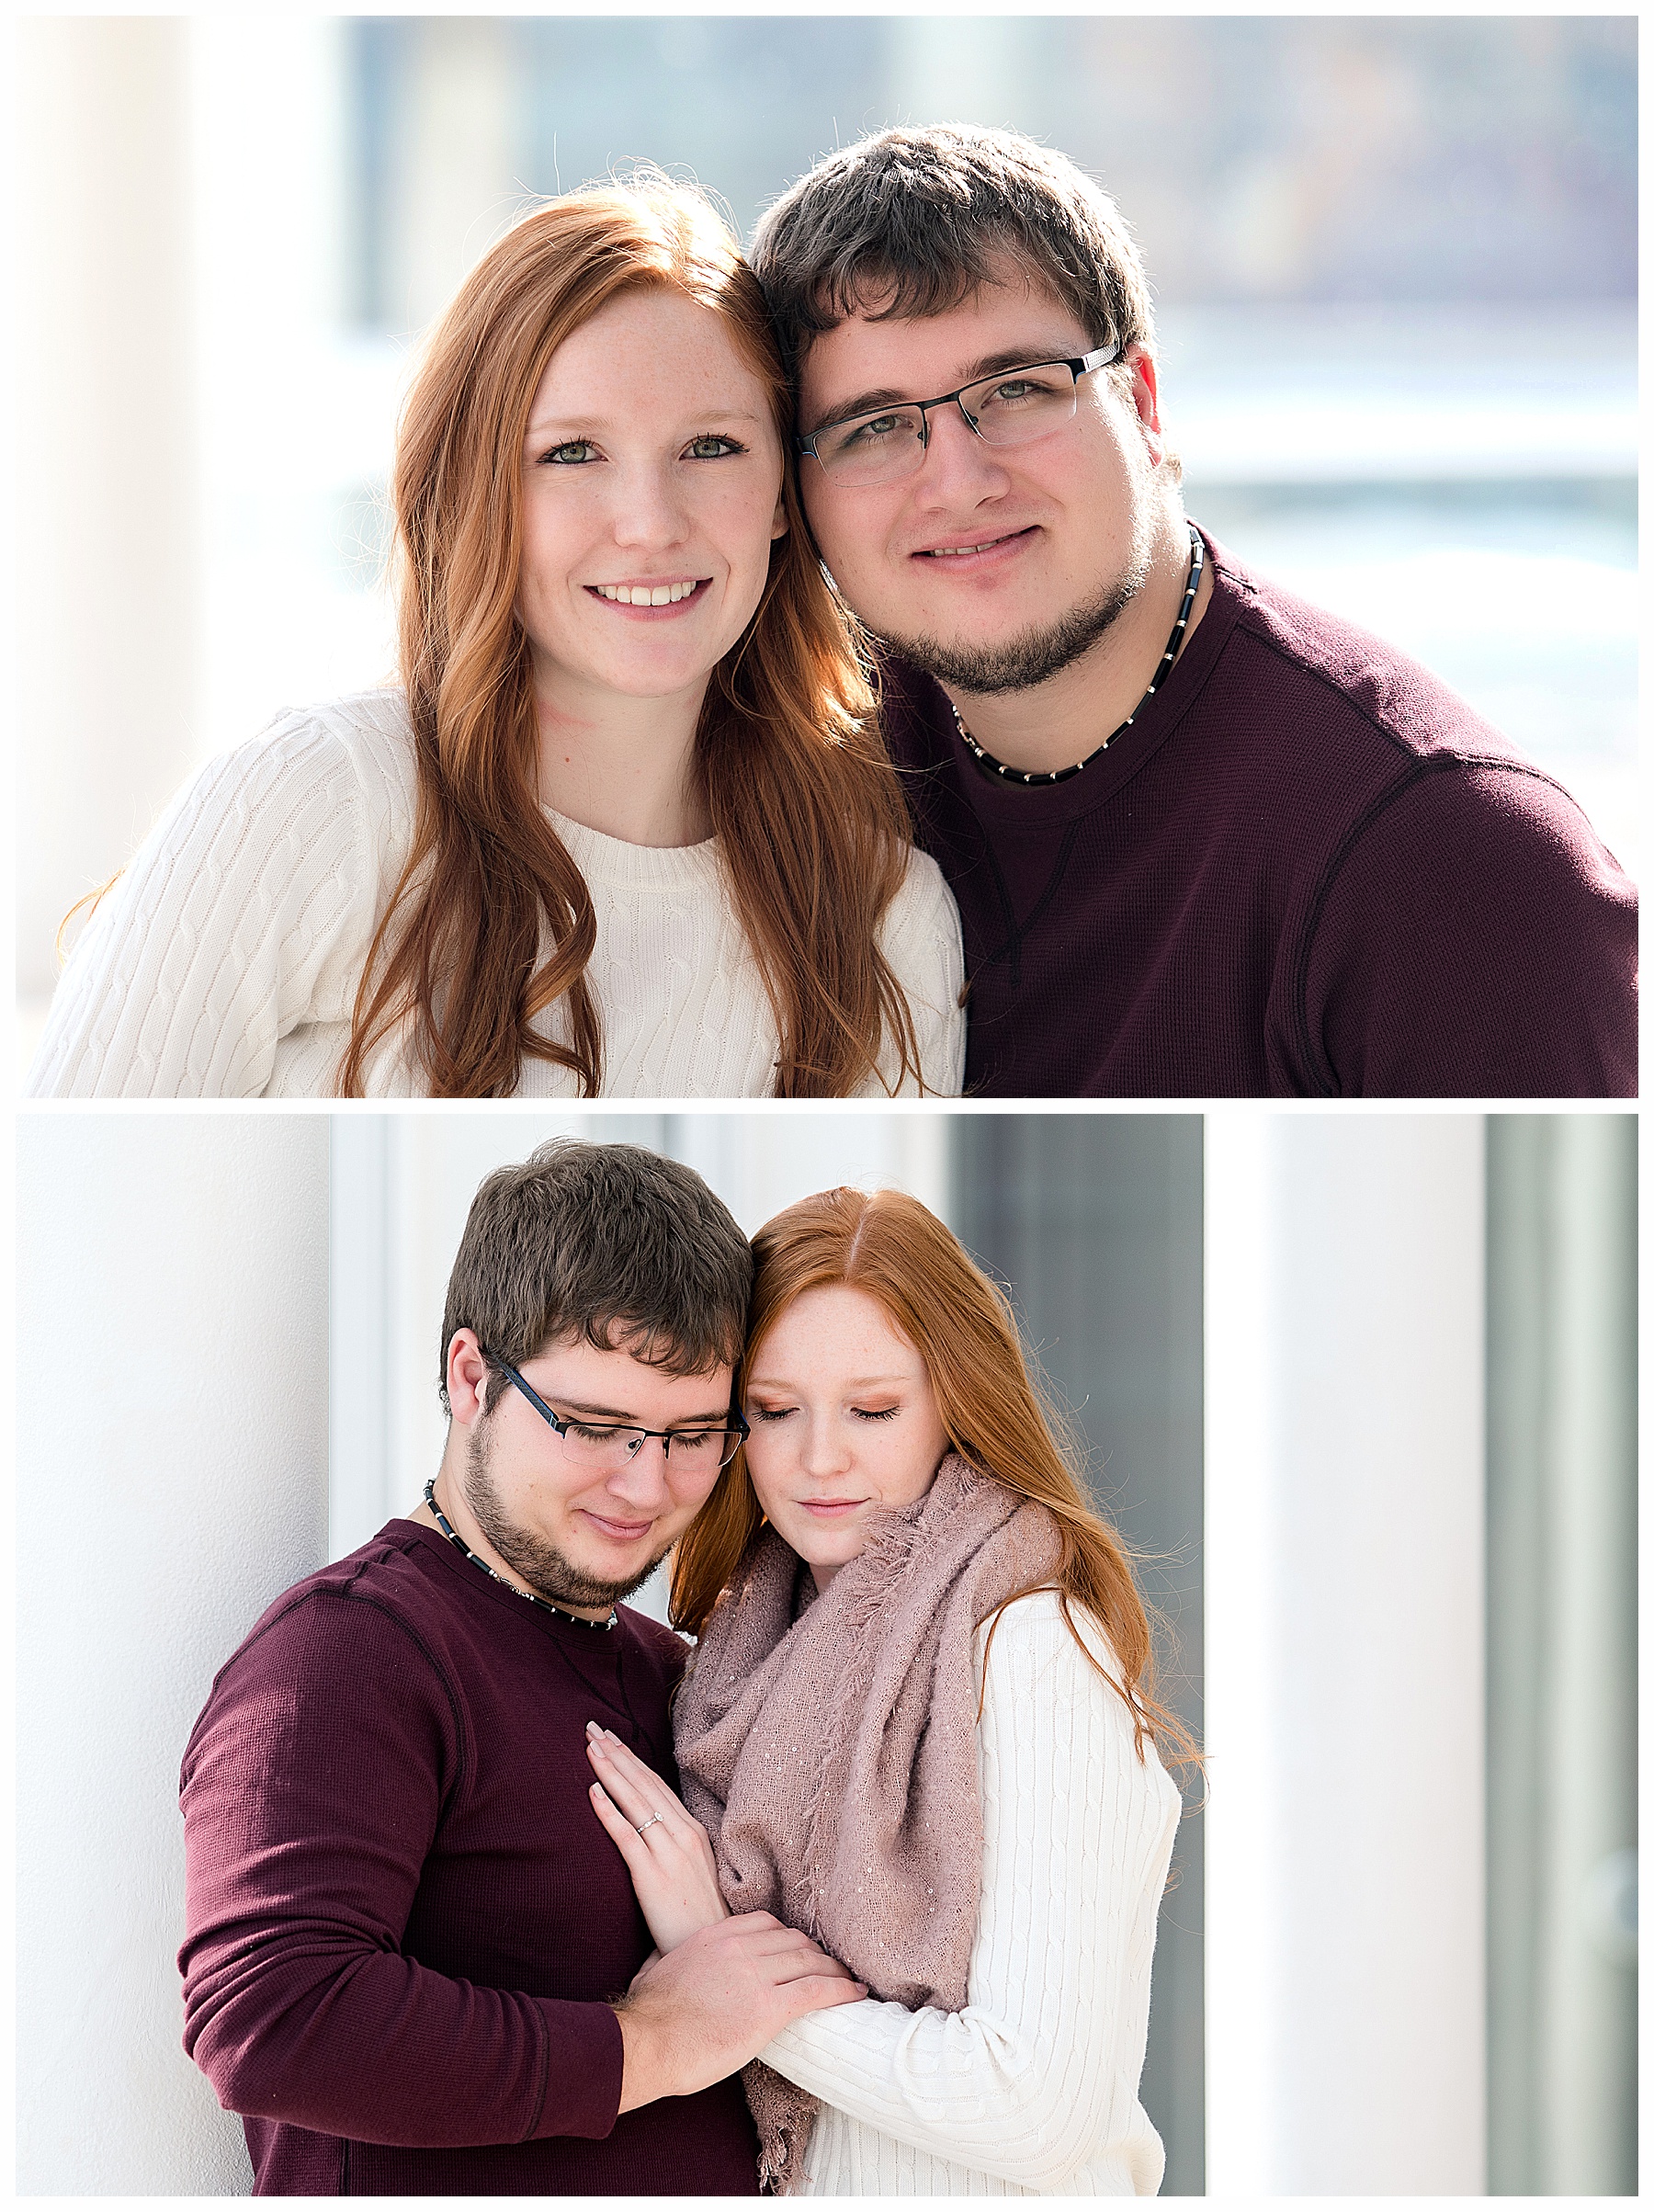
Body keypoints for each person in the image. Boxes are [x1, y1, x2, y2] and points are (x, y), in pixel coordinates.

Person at [746, 124, 1637, 1097]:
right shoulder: (794, 776)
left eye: (1016, 390)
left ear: (1143, 403)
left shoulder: (1447, 864)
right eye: (873, 427)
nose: (957, 482)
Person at [29, 180, 963, 1098]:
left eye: (711, 446)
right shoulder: (317, 802)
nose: (649, 522)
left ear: (781, 499)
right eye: (570, 454)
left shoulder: (888, 921)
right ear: (478, 494)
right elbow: (50, 1210)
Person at [177, 1140, 866, 2195]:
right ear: (470, 1376)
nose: (646, 1484)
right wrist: (654, 2040)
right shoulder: (349, 1651)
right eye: (595, 1424)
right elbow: (271, 2017)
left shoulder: (682, 1672)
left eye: (693, 1435)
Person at [581, 1185, 1188, 2195]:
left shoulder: (1033, 1647)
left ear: (956, 1398)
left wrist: (725, 1975)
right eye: (775, 1411)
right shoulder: (737, 1661)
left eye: (873, 1409)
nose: (820, 1458)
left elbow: (1036, 2107)